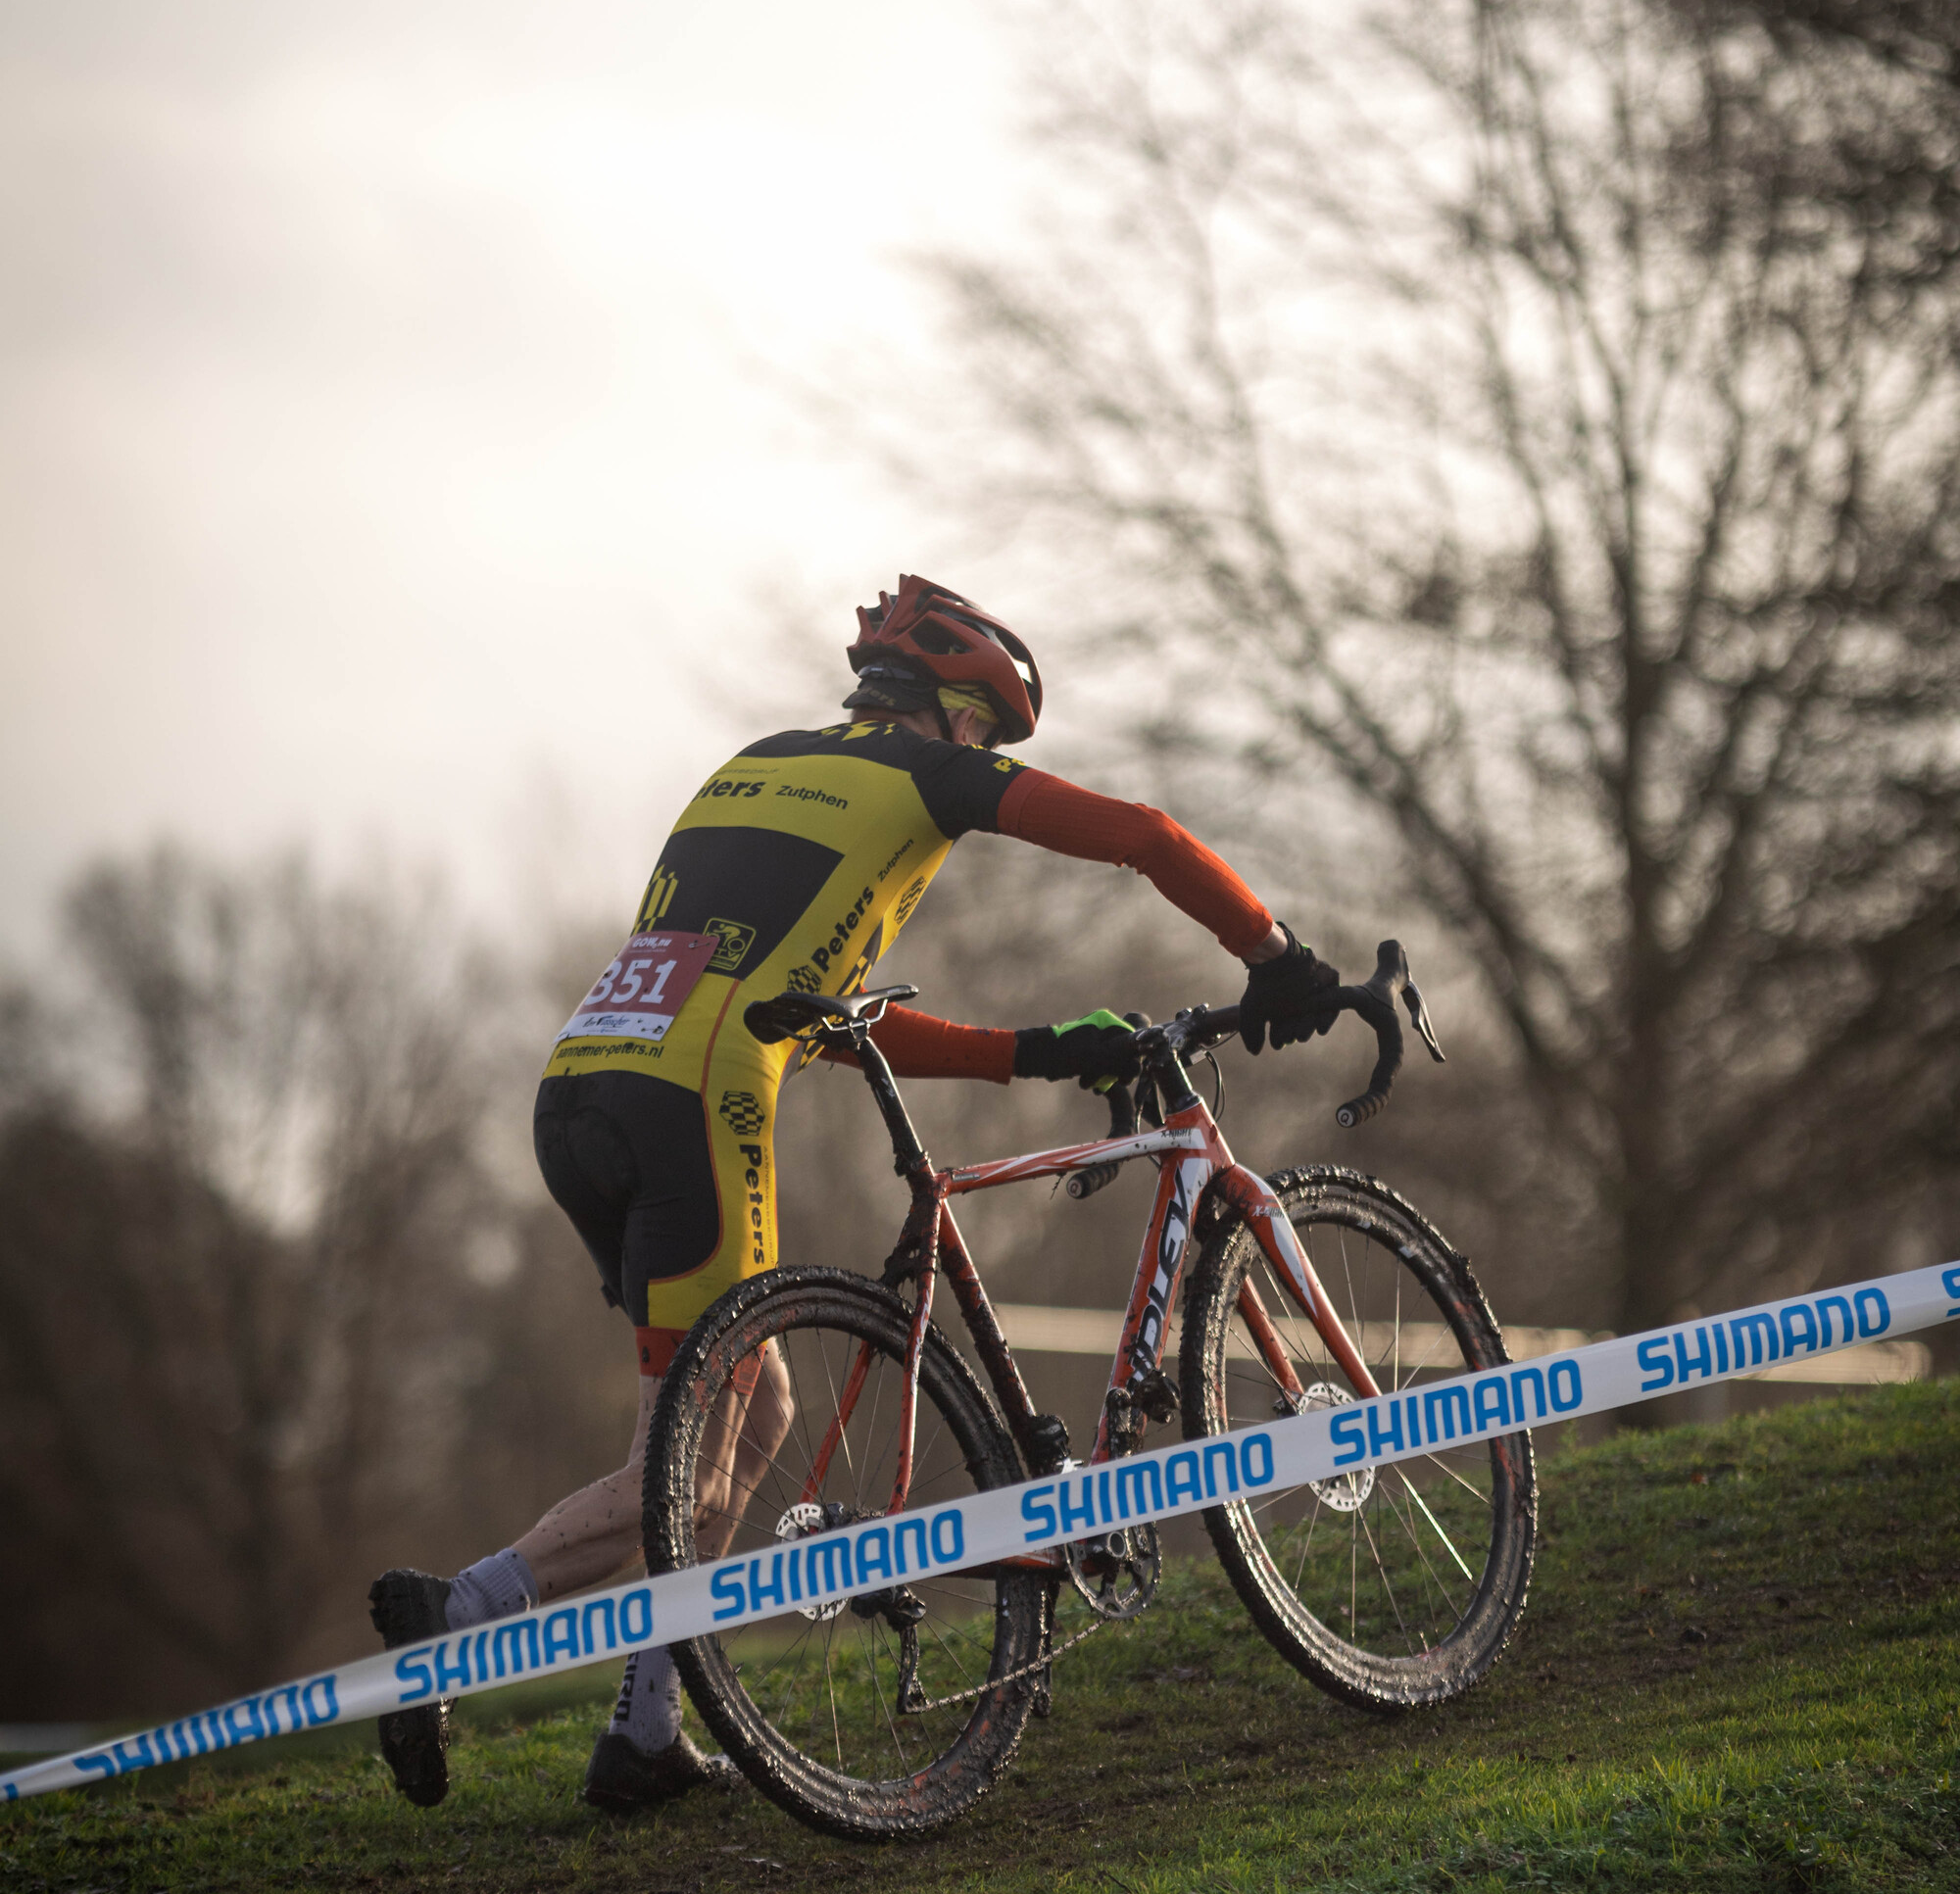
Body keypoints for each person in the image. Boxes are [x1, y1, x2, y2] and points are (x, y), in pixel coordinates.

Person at [368, 575, 1339, 1813]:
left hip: (584, 1086)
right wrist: (1275, 955)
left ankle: (647, 1730)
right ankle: (454, 1613)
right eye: (983, 734)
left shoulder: (755, 765)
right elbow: (1141, 833)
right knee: (683, 1453)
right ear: (945, 711)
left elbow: (823, 1021)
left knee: (751, 1408)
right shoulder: (922, 778)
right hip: (695, 1097)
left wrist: (1032, 1050)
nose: (982, 759)